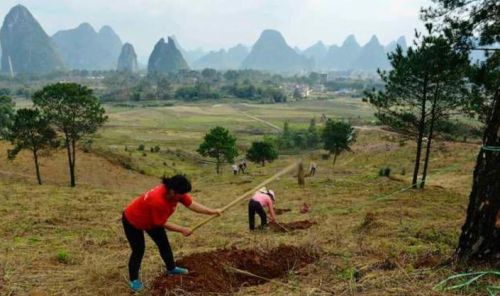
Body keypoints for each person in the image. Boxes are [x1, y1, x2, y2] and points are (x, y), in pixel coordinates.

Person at [122, 175, 221, 292]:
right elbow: (162, 223)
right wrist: (182, 229)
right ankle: (134, 280)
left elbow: (192, 205)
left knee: (164, 244)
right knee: (139, 250)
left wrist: (212, 211)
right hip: (133, 220)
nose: (183, 196)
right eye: (182, 194)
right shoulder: (157, 201)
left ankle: (171, 268)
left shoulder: (175, 192)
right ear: (173, 191)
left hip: (151, 220)